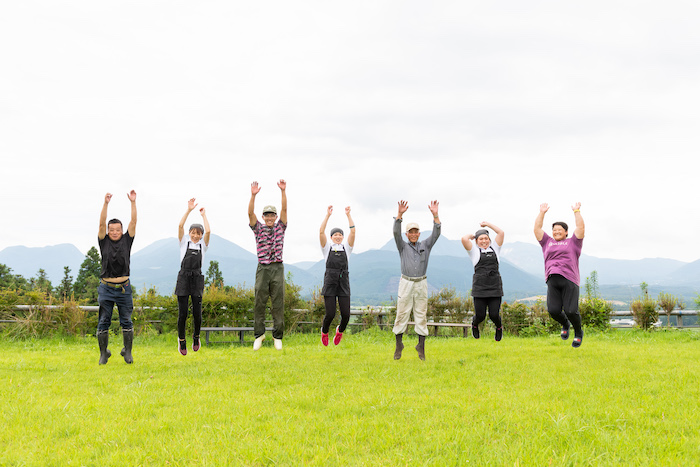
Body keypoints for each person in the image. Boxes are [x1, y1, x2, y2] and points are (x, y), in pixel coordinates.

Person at [392, 200, 441, 361]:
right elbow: (396, 233)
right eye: (410, 232)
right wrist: (399, 216)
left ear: (419, 233)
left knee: (421, 313)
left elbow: (436, 233)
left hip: (421, 282)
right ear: (407, 234)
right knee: (402, 313)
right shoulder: (402, 246)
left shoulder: (426, 245)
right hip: (405, 282)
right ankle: (399, 345)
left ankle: (421, 347)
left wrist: (435, 215)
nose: (413, 234)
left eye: (416, 232)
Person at [534, 202, 586, 347]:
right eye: (554, 230)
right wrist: (542, 212)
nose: (556, 232)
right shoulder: (547, 242)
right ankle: (565, 324)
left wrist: (576, 211)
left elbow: (580, 228)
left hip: (570, 280)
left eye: (560, 230)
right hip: (552, 279)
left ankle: (578, 332)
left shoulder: (573, 243)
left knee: (571, 310)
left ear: (566, 232)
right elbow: (537, 229)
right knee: (553, 310)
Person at [96, 190, 137, 365]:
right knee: (104, 320)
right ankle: (104, 353)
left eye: (117, 229)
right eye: (111, 230)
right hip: (106, 288)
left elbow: (133, 221)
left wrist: (133, 202)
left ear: (121, 230)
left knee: (126, 320)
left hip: (124, 288)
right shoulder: (103, 241)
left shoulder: (127, 240)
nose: (114, 232)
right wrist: (106, 204)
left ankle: (127, 352)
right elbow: (101, 223)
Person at [248, 180, 287, 351]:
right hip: (263, 268)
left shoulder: (281, 227)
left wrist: (283, 192)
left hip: (277, 267)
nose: (270, 218)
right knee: (259, 301)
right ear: (263, 217)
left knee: (278, 302)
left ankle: (277, 336)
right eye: (267, 215)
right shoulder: (258, 229)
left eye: (272, 215)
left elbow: (285, 209)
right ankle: (259, 335)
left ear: (276, 217)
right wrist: (253, 195)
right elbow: (250, 213)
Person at [175, 198, 211, 356]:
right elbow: (180, 226)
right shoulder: (184, 243)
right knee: (183, 312)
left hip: (196, 278)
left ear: (201, 235)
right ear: (189, 234)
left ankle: (196, 337)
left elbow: (209, 232)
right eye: (193, 233)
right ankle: (181, 340)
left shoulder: (203, 246)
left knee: (197, 312)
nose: (195, 235)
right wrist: (189, 210)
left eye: (198, 233)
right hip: (183, 277)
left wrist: (203, 215)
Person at [319, 205, 356, 346]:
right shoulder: (327, 248)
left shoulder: (347, 248)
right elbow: (321, 231)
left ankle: (339, 331)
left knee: (346, 315)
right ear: (331, 237)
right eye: (335, 235)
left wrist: (348, 215)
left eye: (340, 235)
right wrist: (327, 215)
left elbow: (353, 233)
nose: (338, 236)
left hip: (343, 282)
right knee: (330, 314)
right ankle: (325, 331)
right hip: (330, 282)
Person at [461, 222, 505, 341]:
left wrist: (487, 225)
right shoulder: (474, 252)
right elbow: (464, 239)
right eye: (481, 239)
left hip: (495, 286)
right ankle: (474, 325)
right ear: (476, 241)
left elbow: (501, 233)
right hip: (479, 288)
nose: (484, 241)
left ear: (489, 240)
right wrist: (472, 236)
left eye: (486, 238)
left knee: (494, 314)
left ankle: (499, 327)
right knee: (480, 316)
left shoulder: (495, 248)